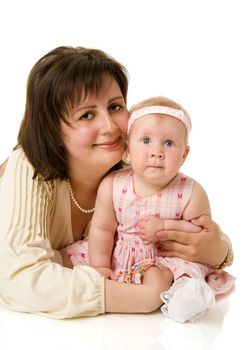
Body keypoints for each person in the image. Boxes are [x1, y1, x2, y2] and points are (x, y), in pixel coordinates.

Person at [0, 46, 233, 320]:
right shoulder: (30, 167)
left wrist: (218, 250)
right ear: (52, 128)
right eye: (87, 115)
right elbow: (18, 278)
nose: (110, 126)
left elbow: (192, 222)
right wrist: (143, 297)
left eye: (115, 107)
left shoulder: (127, 175)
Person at [67, 96, 235, 323]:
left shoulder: (191, 192)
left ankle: (185, 298)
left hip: (164, 258)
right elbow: (102, 229)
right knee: (68, 256)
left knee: (160, 278)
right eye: (146, 141)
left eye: (168, 143)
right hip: (119, 252)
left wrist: (165, 226)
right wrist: (100, 266)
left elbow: (200, 233)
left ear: (184, 155)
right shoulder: (113, 185)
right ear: (128, 149)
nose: (157, 152)